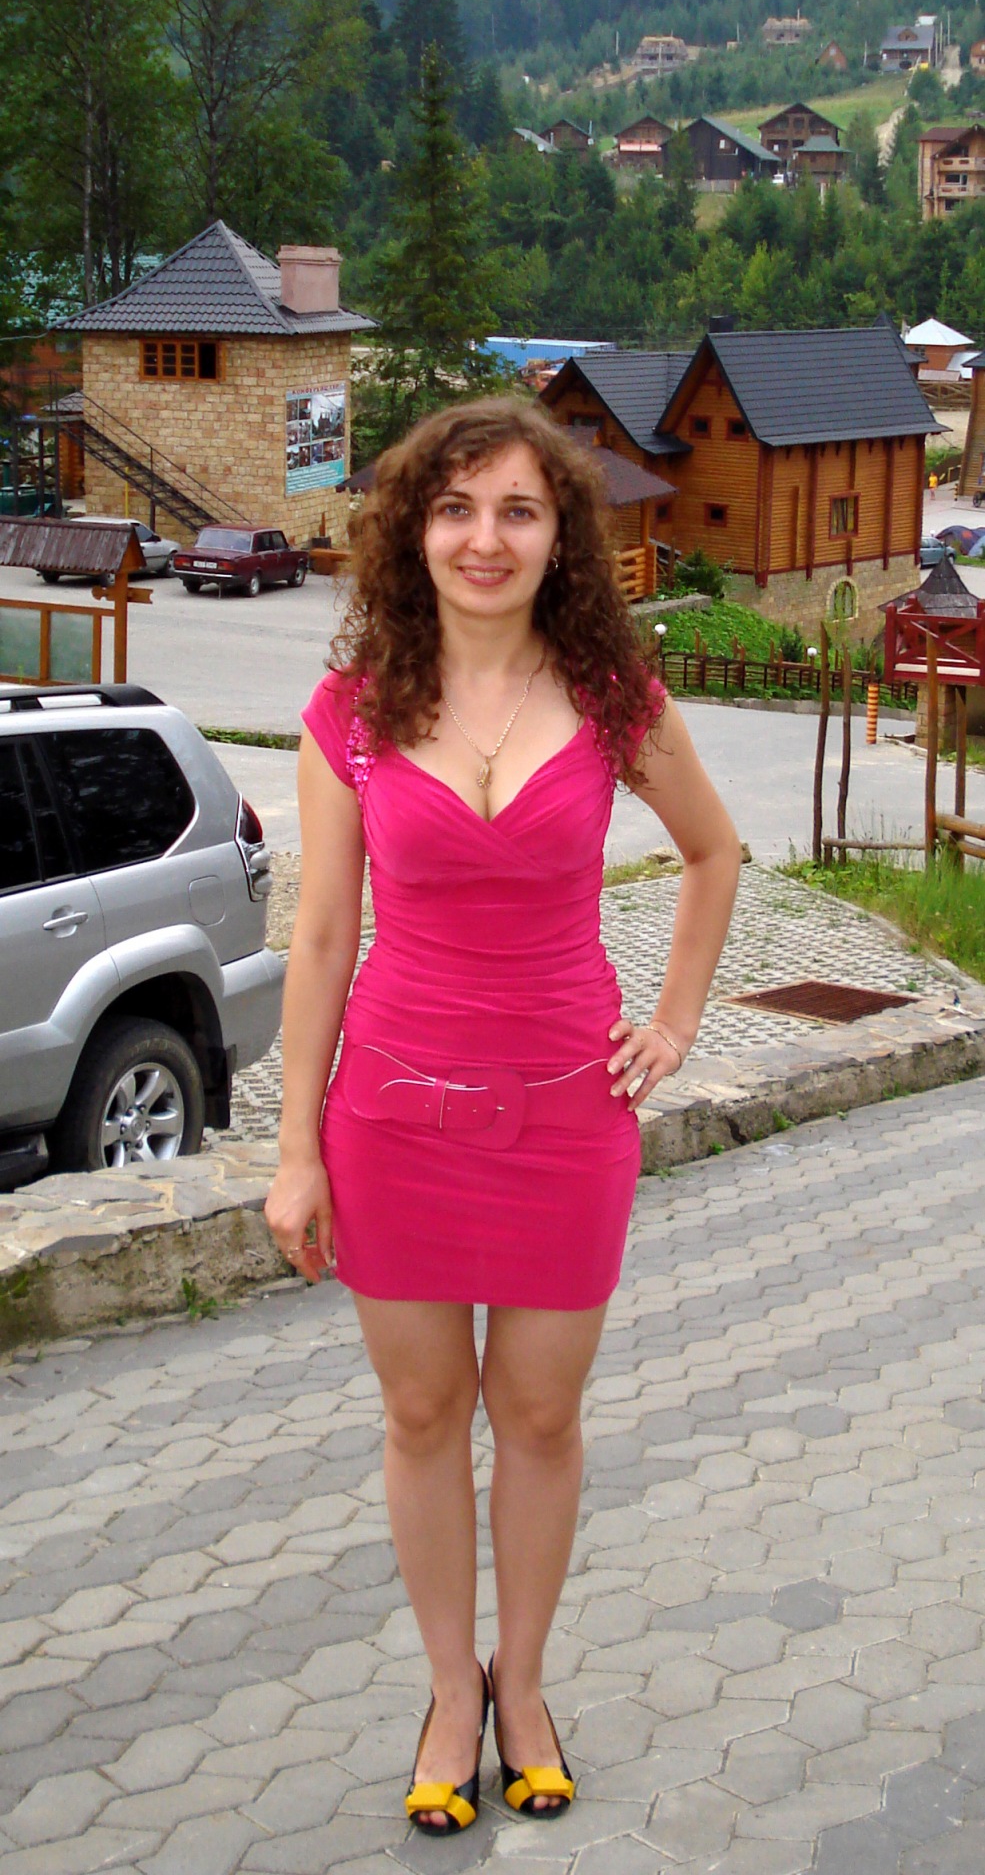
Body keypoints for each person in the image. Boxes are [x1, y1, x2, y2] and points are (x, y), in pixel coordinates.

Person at [264, 397, 741, 1835]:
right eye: (457, 509)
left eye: (518, 510)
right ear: (415, 532)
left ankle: (521, 1688)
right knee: (422, 1414)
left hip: (565, 1120)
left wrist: (672, 1023)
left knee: (537, 1415)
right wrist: (293, 1151)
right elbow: (322, 939)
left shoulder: (611, 697)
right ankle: (446, 1695)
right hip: (392, 1117)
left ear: (560, 537)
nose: (486, 539)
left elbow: (714, 853)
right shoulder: (353, 712)